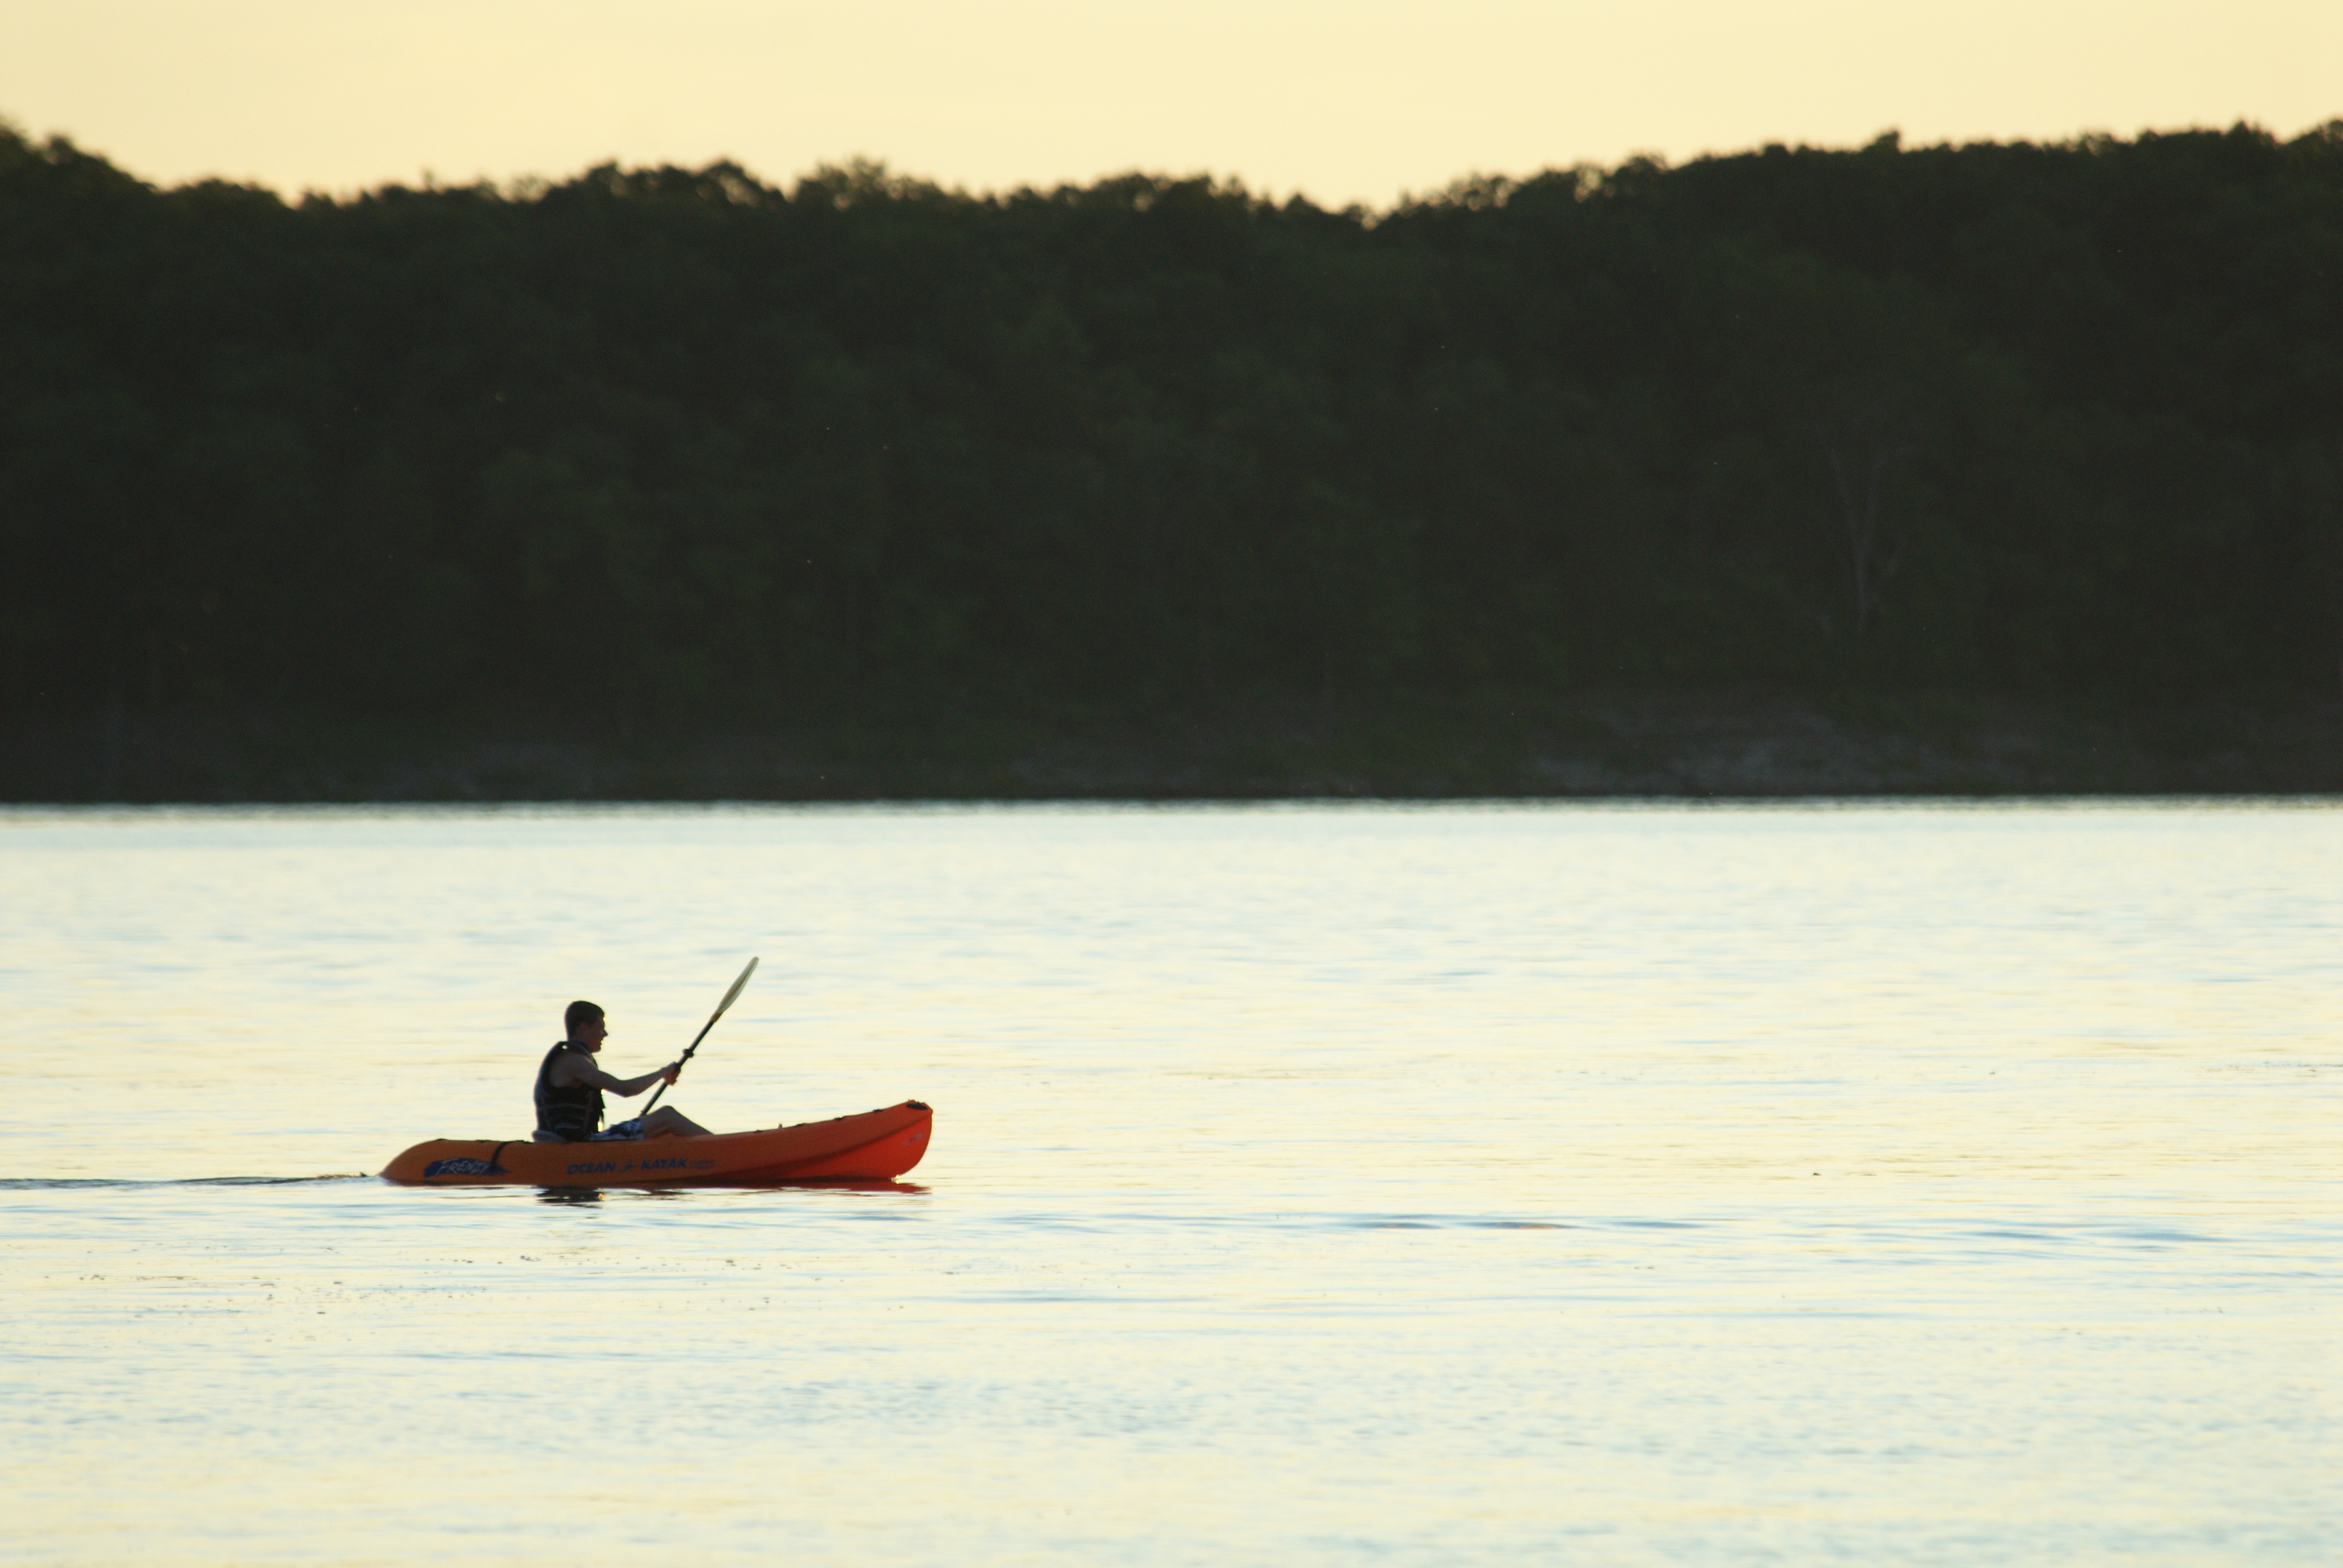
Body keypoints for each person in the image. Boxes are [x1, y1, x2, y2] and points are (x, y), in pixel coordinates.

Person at [532, 999, 712, 1142]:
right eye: (600, 1028)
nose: (605, 1034)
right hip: (577, 1145)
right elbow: (626, 1089)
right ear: (583, 1027)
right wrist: (663, 1072)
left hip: (577, 1142)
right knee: (667, 1116)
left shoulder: (572, 1059)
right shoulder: (572, 1061)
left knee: (666, 1135)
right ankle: (725, 1149)